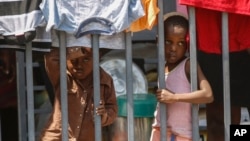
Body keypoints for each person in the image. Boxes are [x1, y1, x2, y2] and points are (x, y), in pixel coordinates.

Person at [150, 12, 214, 141]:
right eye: (168, 42)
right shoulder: (163, 66)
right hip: (160, 131)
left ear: (188, 45)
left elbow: (208, 95)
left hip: (181, 135)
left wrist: (175, 97)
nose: (173, 48)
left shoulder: (188, 65)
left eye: (180, 43)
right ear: (158, 41)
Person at [40, 46, 118, 141]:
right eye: (73, 60)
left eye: (86, 59)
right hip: (58, 137)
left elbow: (112, 109)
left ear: (97, 57)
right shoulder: (62, 76)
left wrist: (104, 116)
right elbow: (51, 57)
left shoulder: (105, 80)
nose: (79, 65)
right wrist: (76, 50)